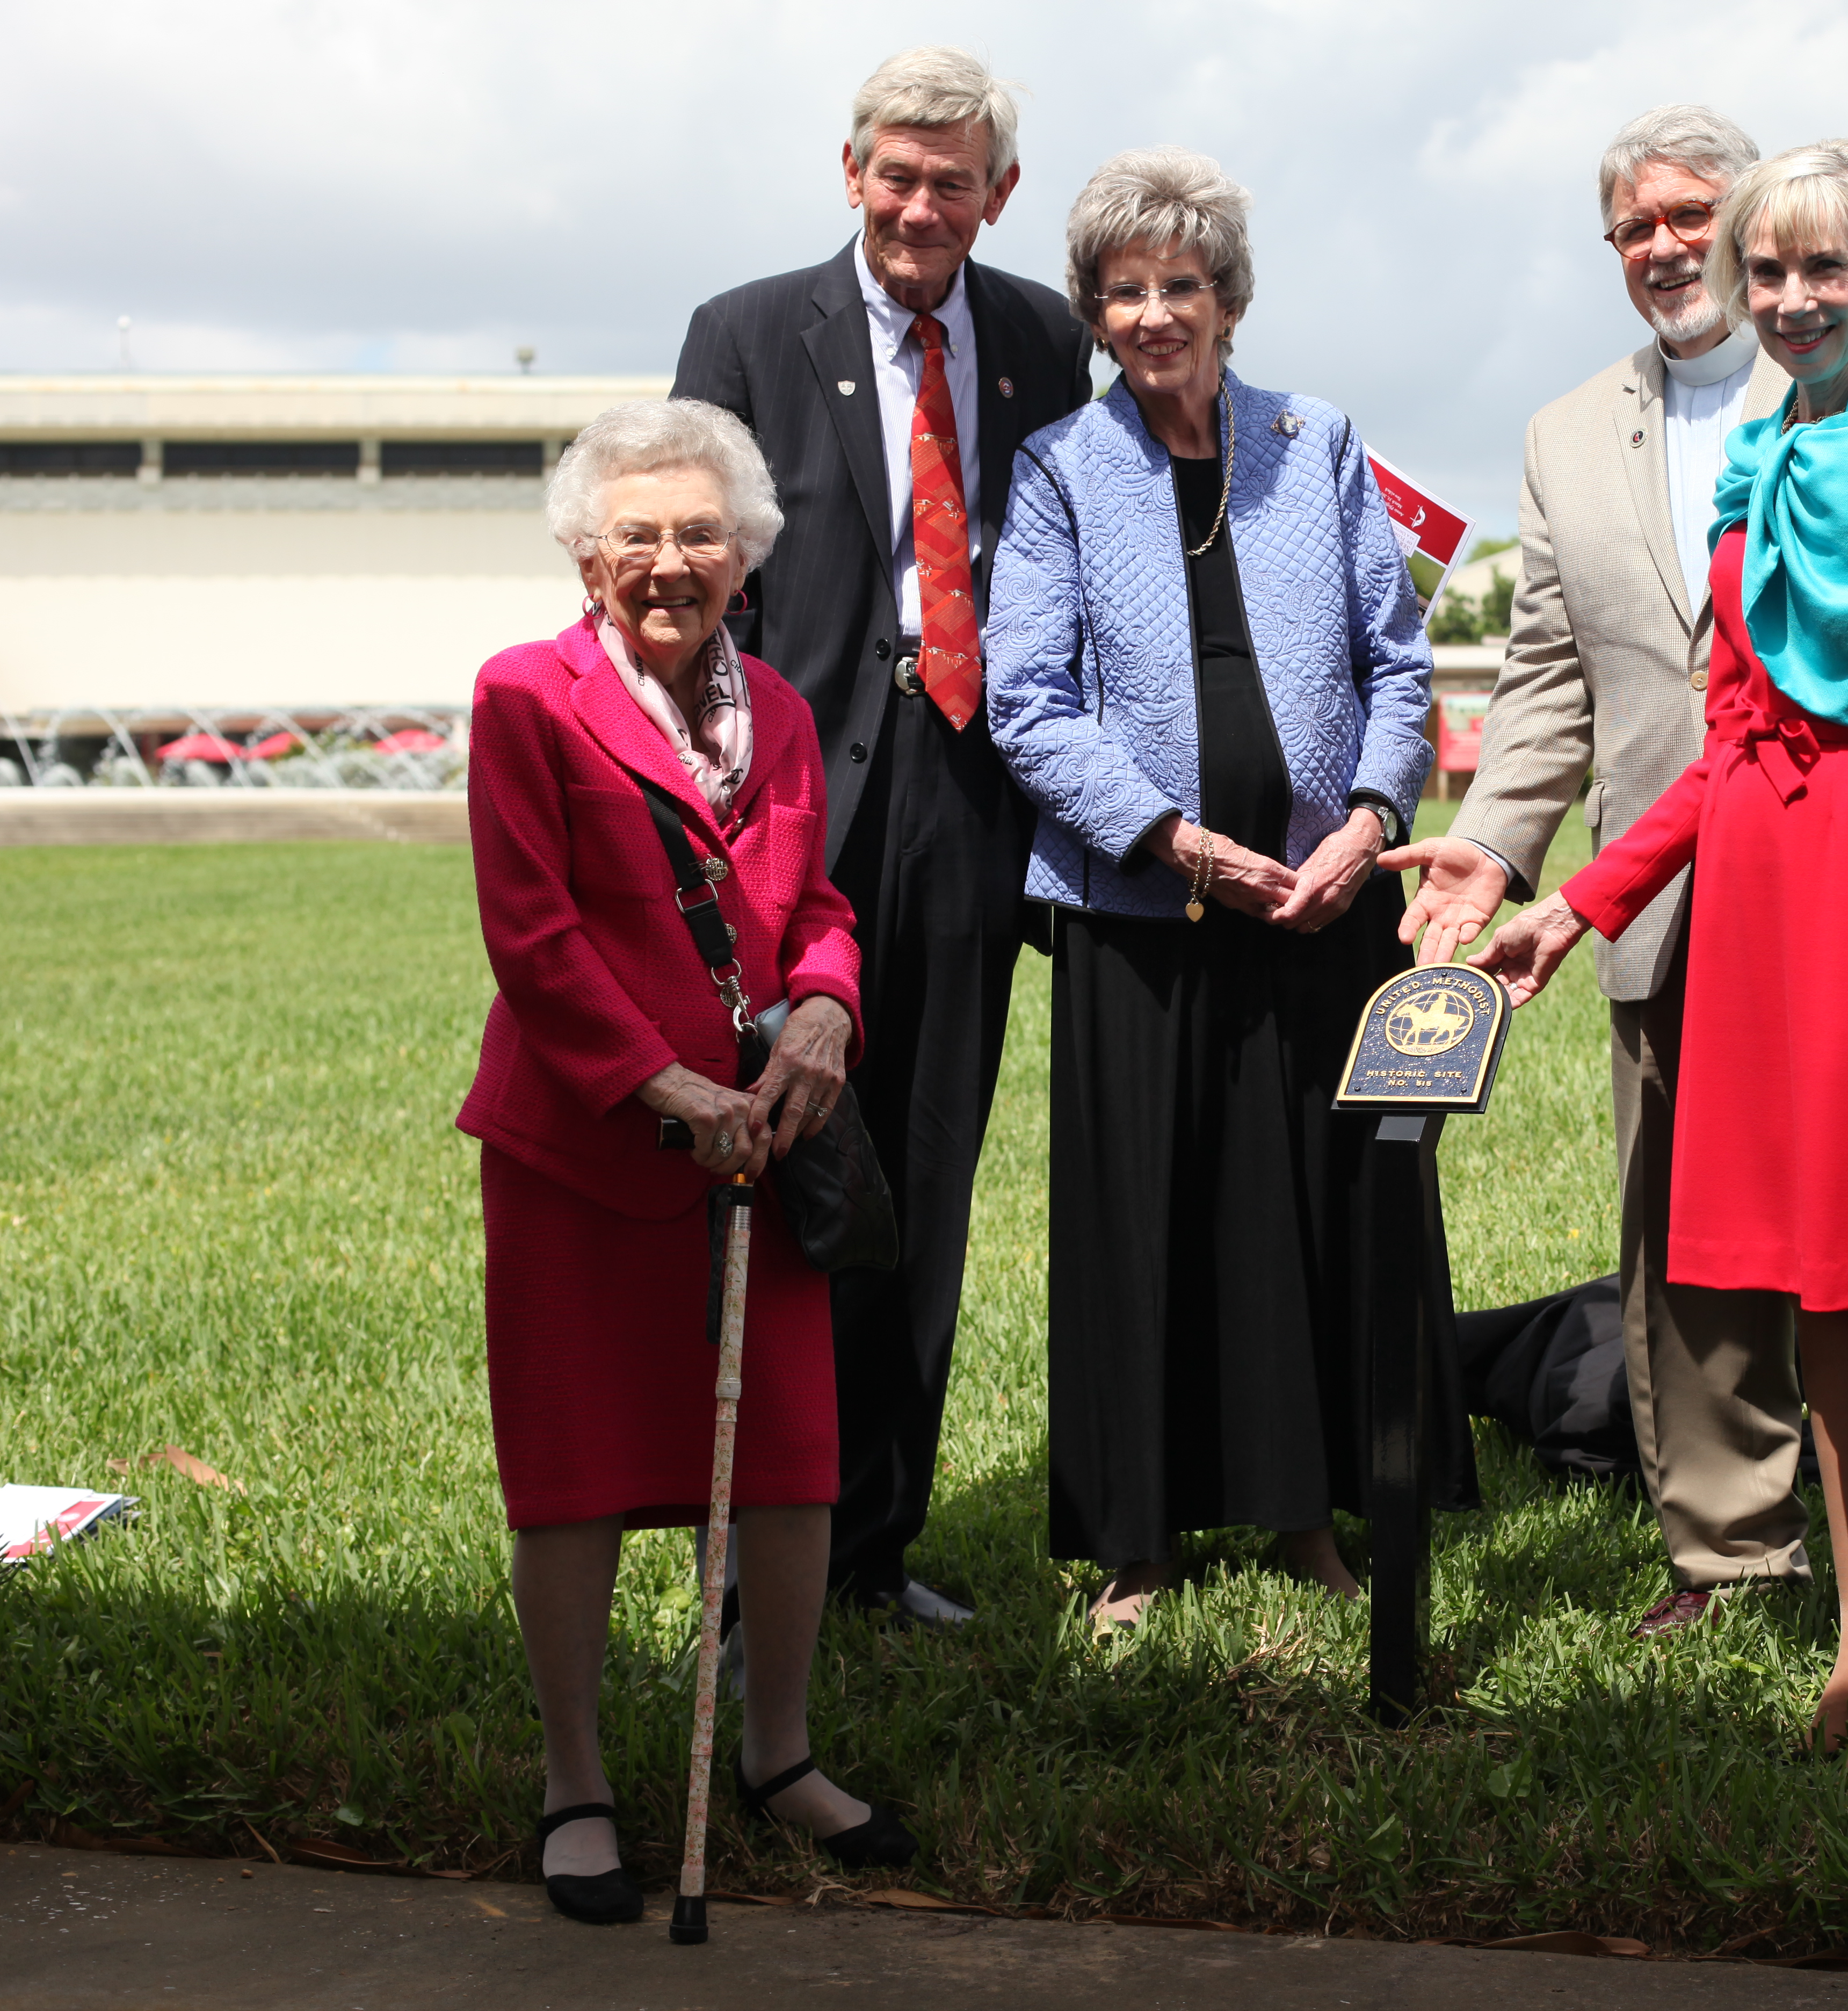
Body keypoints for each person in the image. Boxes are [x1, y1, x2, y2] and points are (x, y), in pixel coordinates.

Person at [1467, 141, 1848, 1756]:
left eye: (1827, 269)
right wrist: (1583, 900)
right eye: (1771, 275)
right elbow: (1729, 746)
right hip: (1753, 913)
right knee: (1814, 1299)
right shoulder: (1766, 467)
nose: (1793, 301)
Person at [456, 398, 918, 1923]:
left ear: (747, 555)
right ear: (589, 559)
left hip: (759, 1148)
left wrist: (829, 1018)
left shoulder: (778, 713)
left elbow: (817, 912)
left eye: (700, 533)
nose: (671, 561)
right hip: (588, 1150)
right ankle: (576, 1779)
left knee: (790, 1467)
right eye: (638, 535)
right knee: (576, 1473)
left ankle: (779, 1756)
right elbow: (532, 932)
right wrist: (660, 1085)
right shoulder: (524, 698)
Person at [984, 147, 1442, 1630]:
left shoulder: (1317, 444)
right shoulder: (1059, 468)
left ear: (1231, 298)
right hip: (1145, 907)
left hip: (1324, 904)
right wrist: (1177, 840)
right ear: (1095, 314)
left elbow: (1398, 661)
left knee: (1316, 1209)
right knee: (1145, 1220)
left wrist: (1367, 826)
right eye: (1124, 292)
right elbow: (1027, 704)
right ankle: (1140, 1543)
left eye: (1181, 284)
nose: (1154, 313)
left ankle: (1309, 1514)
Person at [670, 47, 1091, 1628]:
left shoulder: (1045, 337)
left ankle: (871, 1546)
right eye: (898, 176)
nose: (924, 206)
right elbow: (698, 579)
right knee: (791, 1160)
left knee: (928, 1161)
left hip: (978, 786)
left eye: (955, 180)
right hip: (797, 801)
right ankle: (753, 1534)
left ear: (1001, 194)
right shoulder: (745, 331)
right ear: (850, 174)